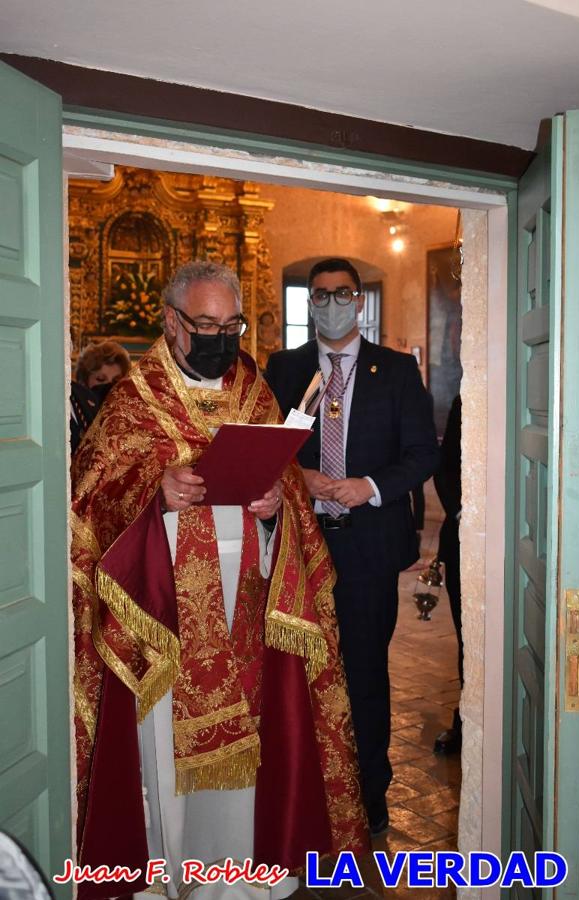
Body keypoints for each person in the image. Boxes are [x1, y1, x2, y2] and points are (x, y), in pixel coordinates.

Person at [71, 261, 368, 900]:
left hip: (248, 606)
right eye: (206, 324)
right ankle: (169, 875)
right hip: (163, 616)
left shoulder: (251, 386)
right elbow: (88, 503)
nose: (221, 337)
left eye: (231, 324)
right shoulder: (133, 397)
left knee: (251, 756)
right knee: (168, 763)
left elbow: (285, 480)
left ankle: (238, 881)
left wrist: (272, 509)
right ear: (172, 320)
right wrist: (154, 495)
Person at [265, 258, 439, 836]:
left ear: (358, 301)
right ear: (309, 302)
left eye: (342, 294)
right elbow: (265, 446)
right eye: (320, 295)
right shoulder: (284, 368)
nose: (330, 303)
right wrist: (299, 477)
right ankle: (308, 791)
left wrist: (367, 487)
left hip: (366, 547)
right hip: (300, 544)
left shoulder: (393, 370)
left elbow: (421, 454)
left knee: (363, 673)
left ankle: (368, 791)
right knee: (298, 672)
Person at [433, 394, 462, 754]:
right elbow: (446, 467)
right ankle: (466, 717)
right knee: (467, 638)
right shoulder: (464, 400)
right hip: (461, 539)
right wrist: (461, 514)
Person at [70, 340, 131, 454]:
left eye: (116, 381)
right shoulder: (75, 413)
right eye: (101, 379)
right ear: (84, 380)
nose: (108, 386)